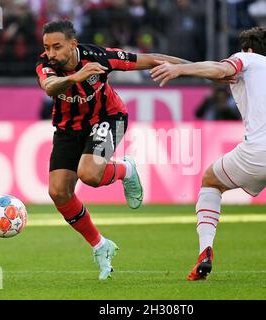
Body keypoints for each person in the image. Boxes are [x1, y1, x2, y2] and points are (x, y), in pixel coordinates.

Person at [150, 27, 266, 281]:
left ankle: (205, 251)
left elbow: (220, 70)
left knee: (210, 181)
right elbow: (219, 75)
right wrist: (183, 64)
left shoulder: (247, 59)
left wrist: (180, 70)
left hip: (262, 150)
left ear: (249, 50)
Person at [36, 20, 188, 280]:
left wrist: (196, 69)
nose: (51, 53)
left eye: (57, 47)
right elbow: (49, 86)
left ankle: (126, 169)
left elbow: (150, 59)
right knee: (58, 192)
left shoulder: (99, 57)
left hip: (109, 117)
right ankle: (100, 245)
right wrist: (77, 77)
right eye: (47, 47)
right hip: (68, 128)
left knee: (90, 174)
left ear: (73, 44)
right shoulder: (46, 65)